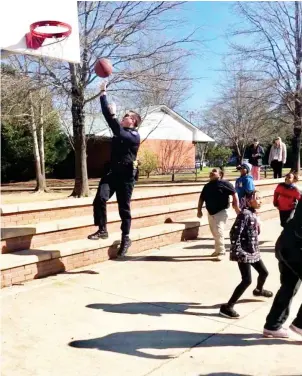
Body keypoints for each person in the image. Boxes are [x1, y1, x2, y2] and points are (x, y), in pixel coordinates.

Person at [88, 82, 141, 257]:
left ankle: (126, 238)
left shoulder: (133, 136)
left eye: (127, 116)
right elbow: (110, 120)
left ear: (133, 121)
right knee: (100, 199)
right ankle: (102, 229)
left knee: (123, 209)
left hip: (126, 178)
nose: (124, 117)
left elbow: (112, 122)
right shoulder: (120, 132)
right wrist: (103, 95)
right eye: (124, 116)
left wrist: (110, 107)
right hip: (113, 174)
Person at [219, 191, 273, 319]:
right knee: (247, 280)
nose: (260, 201)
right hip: (243, 253)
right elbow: (234, 233)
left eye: (261, 198)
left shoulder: (253, 214)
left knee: (264, 272)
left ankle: (259, 290)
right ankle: (228, 307)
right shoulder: (244, 215)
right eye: (257, 199)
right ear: (249, 201)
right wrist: (239, 250)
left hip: (253, 251)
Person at [263, 199, 302, 338]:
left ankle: (272, 325)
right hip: (295, 249)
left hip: (286, 245)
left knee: (289, 285)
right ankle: (300, 325)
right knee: (289, 285)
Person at [197, 168, 240, 260]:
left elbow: (234, 193)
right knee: (214, 231)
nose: (211, 172)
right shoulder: (207, 186)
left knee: (219, 230)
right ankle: (217, 250)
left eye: (214, 171)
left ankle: (221, 252)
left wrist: (236, 204)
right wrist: (199, 210)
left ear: (220, 174)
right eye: (211, 171)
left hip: (221, 211)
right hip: (210, 212)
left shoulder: (224, 183)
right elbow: (201, 198)